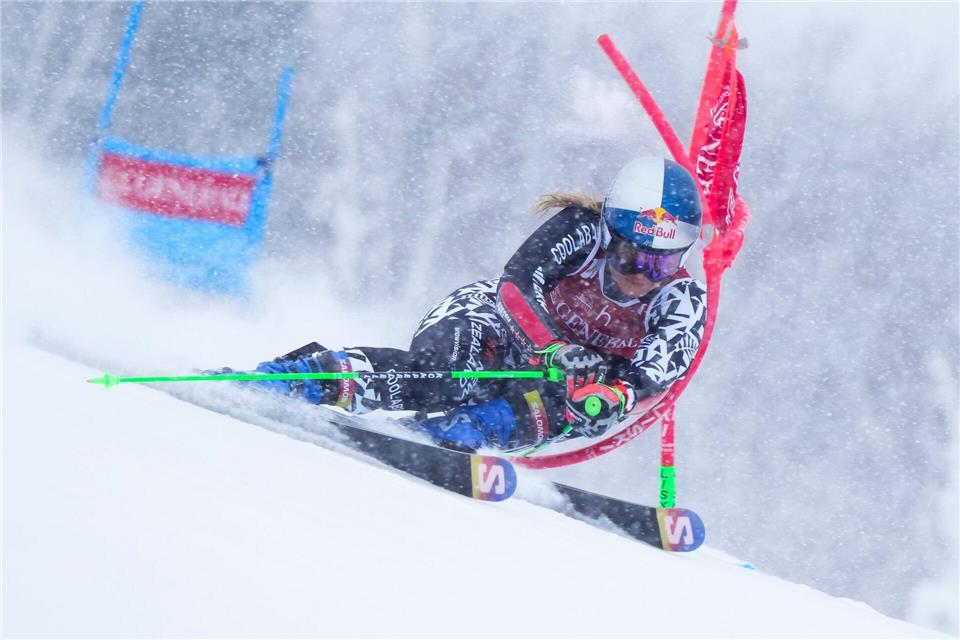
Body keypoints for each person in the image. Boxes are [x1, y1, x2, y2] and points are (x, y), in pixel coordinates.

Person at [220, 156, 707, 453]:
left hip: (561, 381)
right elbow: (518, 283)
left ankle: (469, 431)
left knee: (590, 402)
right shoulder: (583, 227)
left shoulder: (683, 297)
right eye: (628, 255)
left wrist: (617, 392)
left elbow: (657, 371)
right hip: (503, 321)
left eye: (659, 265)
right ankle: (310, 377)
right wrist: (551, 346)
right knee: (450, 374)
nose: (640, 275)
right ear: (612, 231)